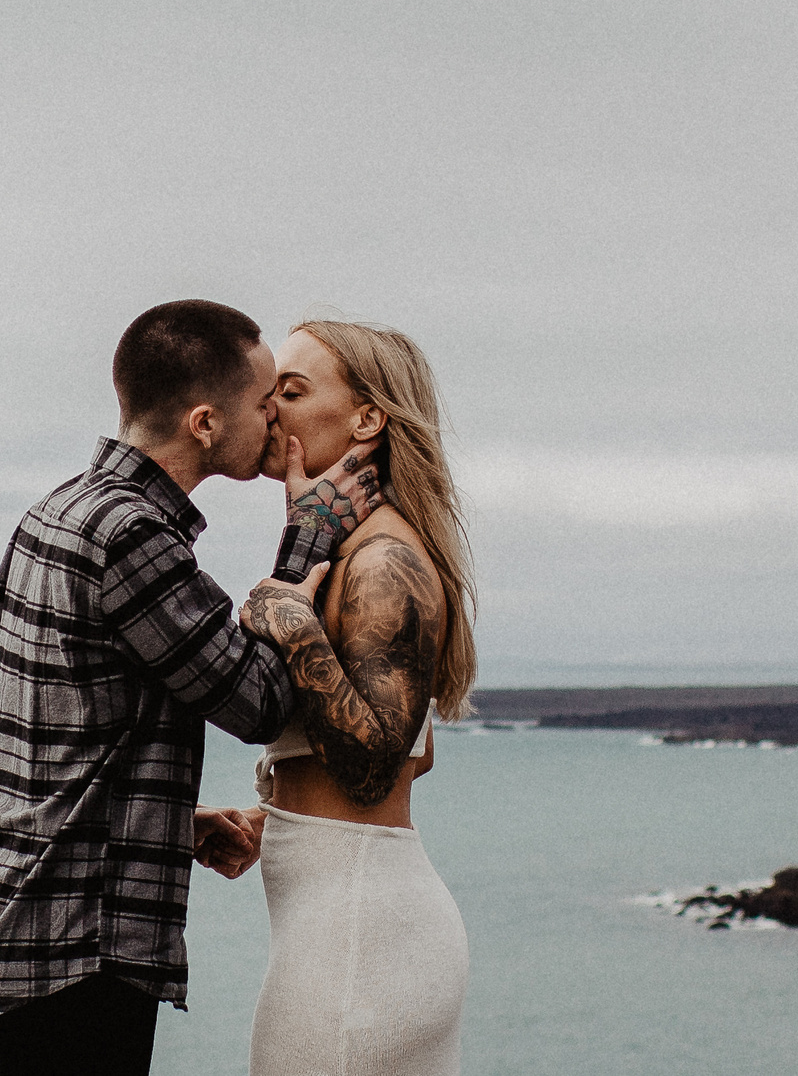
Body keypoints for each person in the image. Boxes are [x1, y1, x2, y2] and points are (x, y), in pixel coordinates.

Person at [0, 299, 387, 1075]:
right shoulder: (132, 536)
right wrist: (308, 536)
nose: (274, 421)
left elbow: (46, 739)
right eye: (265, 403)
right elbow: (262, 699)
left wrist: (170, 819)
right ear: (205, 422)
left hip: (4, 926)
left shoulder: (58, 510)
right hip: (67, 953)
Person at [236, 319, 476, 1076]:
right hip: (353, 920)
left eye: (294, 390)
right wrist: (279, 808)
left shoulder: (383, 559)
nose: (270, 406)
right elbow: (415, 748)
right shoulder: (352, 551)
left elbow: (374, 767)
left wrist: (287, 613)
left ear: (368, 417)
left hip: (355, 947)